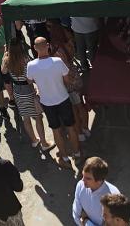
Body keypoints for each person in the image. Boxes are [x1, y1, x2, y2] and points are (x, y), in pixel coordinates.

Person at [27, 37, 80, 169]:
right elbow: (67, 81)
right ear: (48, 46)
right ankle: (78, 153)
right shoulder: (57, 62)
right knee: (71, 127)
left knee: (56, 130)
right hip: (63, 98)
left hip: (47, 102)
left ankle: (64, 157)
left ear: (34, 48)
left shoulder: (31, 65)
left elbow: (30, 81)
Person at [2, 38, 52, 150]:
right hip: (28, 90)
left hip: (17, 91)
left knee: (26, 117)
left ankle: (34, 140)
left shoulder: (7, 60)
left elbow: (3, 71)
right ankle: (44, 143)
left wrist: (4, 56)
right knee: (38, 117)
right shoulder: (26, 60)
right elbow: (31, 78)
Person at [73, 157, 120, 226]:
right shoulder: (80, 185)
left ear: (99, 180)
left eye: (88, 178)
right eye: (83, 175)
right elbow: (76, 214)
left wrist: (86, 222)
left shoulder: (113, 197)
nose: (83, 180)